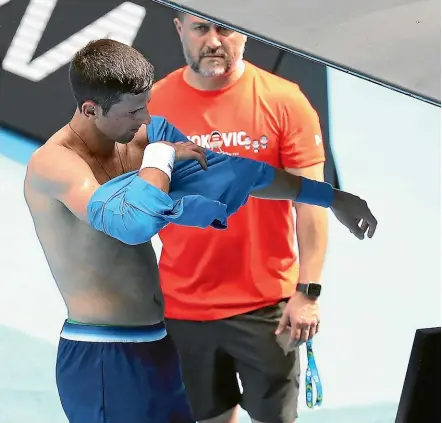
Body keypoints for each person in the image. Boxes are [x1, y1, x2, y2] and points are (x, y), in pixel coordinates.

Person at [24, 38, 376, 423]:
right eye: (133, 111)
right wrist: (163, 154)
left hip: (159, 346)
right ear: (91, 109)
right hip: (104, 357)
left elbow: (238, 173)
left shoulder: (143, 135)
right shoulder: (55, 165)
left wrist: (330, 197)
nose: (145, 120)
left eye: (147, 107)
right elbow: (133, 222)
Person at [147, 12, 359, 423]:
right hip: (184, 305)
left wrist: (308, 293)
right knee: (208, 417)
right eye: (200, 28)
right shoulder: (154, 105)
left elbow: (312, 203)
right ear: (179, 30)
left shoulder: (285, 101)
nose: (213, 40)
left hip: (269, 307)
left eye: (224, 27)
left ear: (245, 31)